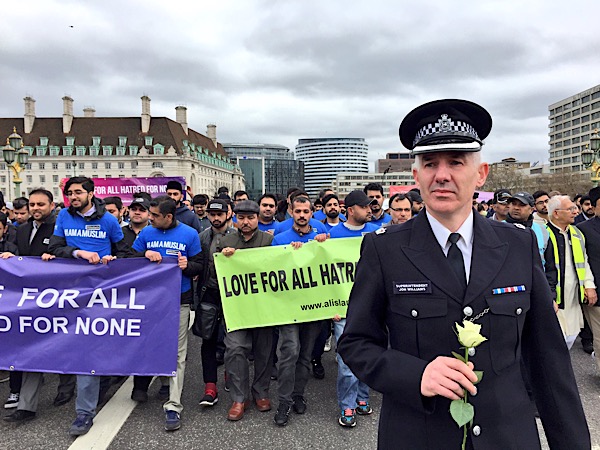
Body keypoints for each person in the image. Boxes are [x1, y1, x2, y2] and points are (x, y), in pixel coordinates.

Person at [338, 99, 590, 449]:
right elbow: (356, 342)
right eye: (429, 163)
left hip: (507, 435)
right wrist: (416, 375)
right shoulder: (384, 249)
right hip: (418, 434)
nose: (442, 174)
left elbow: (548, 360)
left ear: (481, 173)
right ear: (416, 176)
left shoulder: (517, 245)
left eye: (456, 162)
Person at [48, 176, 132, 437]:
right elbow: (56, 247)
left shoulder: (107, 219)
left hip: (100, 293)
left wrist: (113, 259)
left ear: (90, 193)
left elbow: (124, 252)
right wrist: (78, 253)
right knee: (81, 347)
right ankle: (87, 405)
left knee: (92, 348)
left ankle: (87, 408)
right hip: (70, 291)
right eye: (69, 193)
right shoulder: (63, 216)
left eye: (77, 193)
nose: (73, 197)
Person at [3, 189, 77, 422]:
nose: (35, 208)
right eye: (32, 204)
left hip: (59, 296)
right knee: (33, 350)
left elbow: (69, 254)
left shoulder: (61, 226)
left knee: (64, 345)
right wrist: (9, 258)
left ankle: (66, 386)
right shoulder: (21, 229)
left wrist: (56, 257)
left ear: (51, 205)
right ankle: (26, 407)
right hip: (30, 299)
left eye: (40, 204)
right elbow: (20, 255)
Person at [131, 196, 202, 431]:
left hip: (179, 300)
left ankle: (174, 406)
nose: (150, 218)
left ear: (169, 217)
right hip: (150, 301)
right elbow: (130, 261)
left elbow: (200, 264)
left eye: (154, 215)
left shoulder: (190, 234)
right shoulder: (147, 234)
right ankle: (157, 383)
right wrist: (144, 255)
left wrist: (187, 266)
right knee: (150, 344)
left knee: (178, 354)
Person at [271, 196, 328, 426]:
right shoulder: (280, 239)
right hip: (288, 306)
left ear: (312, 212)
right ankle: (284, 400)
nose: (302, 215)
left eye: (306, 211)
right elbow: (271, 270)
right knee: (289, 351)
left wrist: (325, 244)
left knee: (305, 354)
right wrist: (289, 253)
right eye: (298, 211)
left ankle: (298, 394)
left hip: (313, 306)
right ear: (291, 213)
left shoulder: (321, 235)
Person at [219, 200, 274, 421]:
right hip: (237, 308)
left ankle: (260, 391)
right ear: (235, 219)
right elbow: (214, 274)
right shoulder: (226, 240)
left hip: (264, 307)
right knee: (234, 349)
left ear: (257, 218)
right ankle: (239, 397)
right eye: (241, 218)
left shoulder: (269, 240)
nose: (246, 222)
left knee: (264, 351)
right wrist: (224, 259)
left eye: (250, 218)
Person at [197, 199, 236, 407]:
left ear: (228, 214)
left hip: (234, 295)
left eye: (219, 214)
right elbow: (197, 264)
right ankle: (210, 386)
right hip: (209, 293)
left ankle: (231, 375)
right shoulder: (203, 237)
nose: (215, 218)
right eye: (212, 214)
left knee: (234, 340)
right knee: (208, 339)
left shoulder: (239, 236)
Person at [544, 195, 596, 349]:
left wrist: (589, 285)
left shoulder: (577, 233)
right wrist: (548, 296)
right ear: (556, 213)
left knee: (570, 337)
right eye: (570, 209)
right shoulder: (542, 234)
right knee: (553, 343)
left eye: (575, 208)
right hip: (554, 299)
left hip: (573, 297)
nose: (575, 212)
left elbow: (584, 262)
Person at [576, 187, 600, 367]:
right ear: (594, 207)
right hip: (596, 292)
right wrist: (587, 287)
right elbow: (580, 262)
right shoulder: (582, 230)